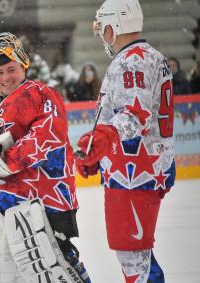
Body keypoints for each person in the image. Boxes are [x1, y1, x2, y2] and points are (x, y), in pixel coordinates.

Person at [0, 32, 90, 282]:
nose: (6, 77)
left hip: (45, 199)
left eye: (11, 69)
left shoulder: (42, 94)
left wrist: (1, 161)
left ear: (23, 65)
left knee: (54, 267)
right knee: (3, 274)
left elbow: (47, 137)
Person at [75, 0, 175, 282]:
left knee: (133, 258)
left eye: (102, 28)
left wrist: (102, 141)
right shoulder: (150, 56)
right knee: (139, 254)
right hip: (141, 168)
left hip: (134, 172)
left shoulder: (132, 61)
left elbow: (134, 116)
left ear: (113, 27)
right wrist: (100, 152)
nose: (101, 35)